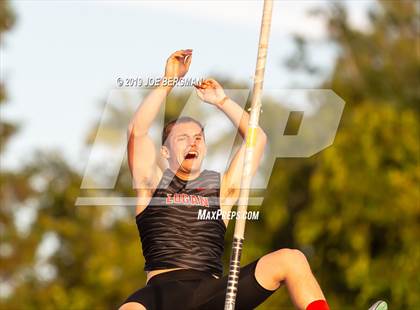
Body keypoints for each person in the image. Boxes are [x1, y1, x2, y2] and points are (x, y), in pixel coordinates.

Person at [119, 49, 330, 310]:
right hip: (160, 294)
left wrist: (222, 102)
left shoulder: (222, 189)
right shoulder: (151, 184)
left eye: (198, 138)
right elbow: (136, 131)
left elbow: (257, 140)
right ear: (165, 151)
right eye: (182, 138)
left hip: (212, 293)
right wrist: (168, 81)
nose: (192, 142)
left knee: (292, 260)